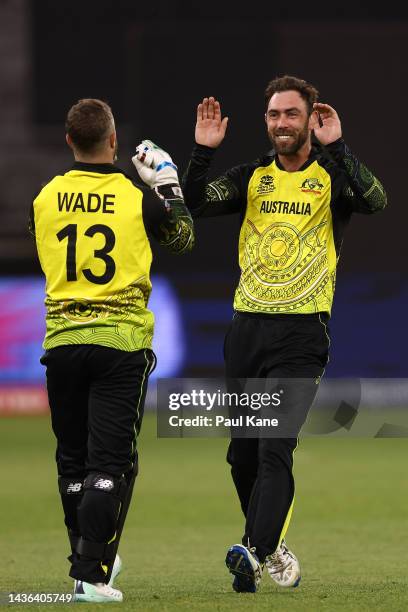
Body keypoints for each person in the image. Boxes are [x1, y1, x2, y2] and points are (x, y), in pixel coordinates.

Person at [182, 76, 387, 593]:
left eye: (291, 115)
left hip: (302, 334)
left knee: (276, 448)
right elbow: (192, 204)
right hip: (247, 330)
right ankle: (270, 547)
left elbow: (376, 199)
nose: (280, 124)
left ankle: (251, 553)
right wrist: (202, 153)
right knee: (242, 455)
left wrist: (339, 145)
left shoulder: (332, 176)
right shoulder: (252, 175)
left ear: (311, 118)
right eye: (273, 115)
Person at [30, 99, 194, 603]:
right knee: (111, 463)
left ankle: (89, 553)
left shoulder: (45, 197)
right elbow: (183, 239)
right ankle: (90, 575)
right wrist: (166, 184)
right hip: (119, 344)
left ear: (68, 141)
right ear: (114, 141)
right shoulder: (134, 196)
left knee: (72, 462)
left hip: (62, 342)